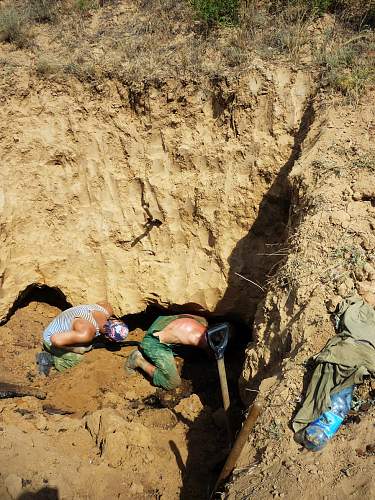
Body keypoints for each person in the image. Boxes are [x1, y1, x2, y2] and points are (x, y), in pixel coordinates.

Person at [39, 301, 129, 372]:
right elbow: (55, 340)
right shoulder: (87, 333)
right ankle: (49, 358)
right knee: (77, 361)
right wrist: (76, 349)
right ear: (108, 338)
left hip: (65, 322)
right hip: (50, 338)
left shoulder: (105, 309)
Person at [125, 314, 208, 390]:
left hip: (164, 322)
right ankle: (138, 359)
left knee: (203, 323)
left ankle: (174, 358)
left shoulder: (205, 328)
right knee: (172, 383)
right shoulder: (200, 338)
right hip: (154, 342)